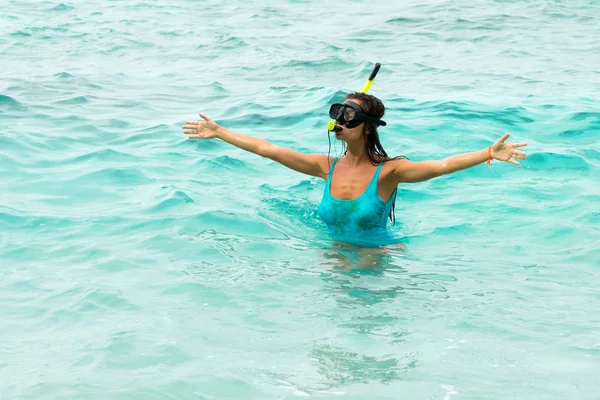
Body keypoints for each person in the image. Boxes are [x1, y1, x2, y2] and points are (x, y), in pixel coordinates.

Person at [182, 92, 527, 247]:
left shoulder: (390, 172)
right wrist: (220, 132)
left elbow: (439, 167)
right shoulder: (324, 166)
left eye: (348, 116)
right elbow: (267, 149)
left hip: (373, 258)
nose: (339, 121)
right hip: (331, 254)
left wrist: (488, 153)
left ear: (366, 126)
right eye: (338, 113)